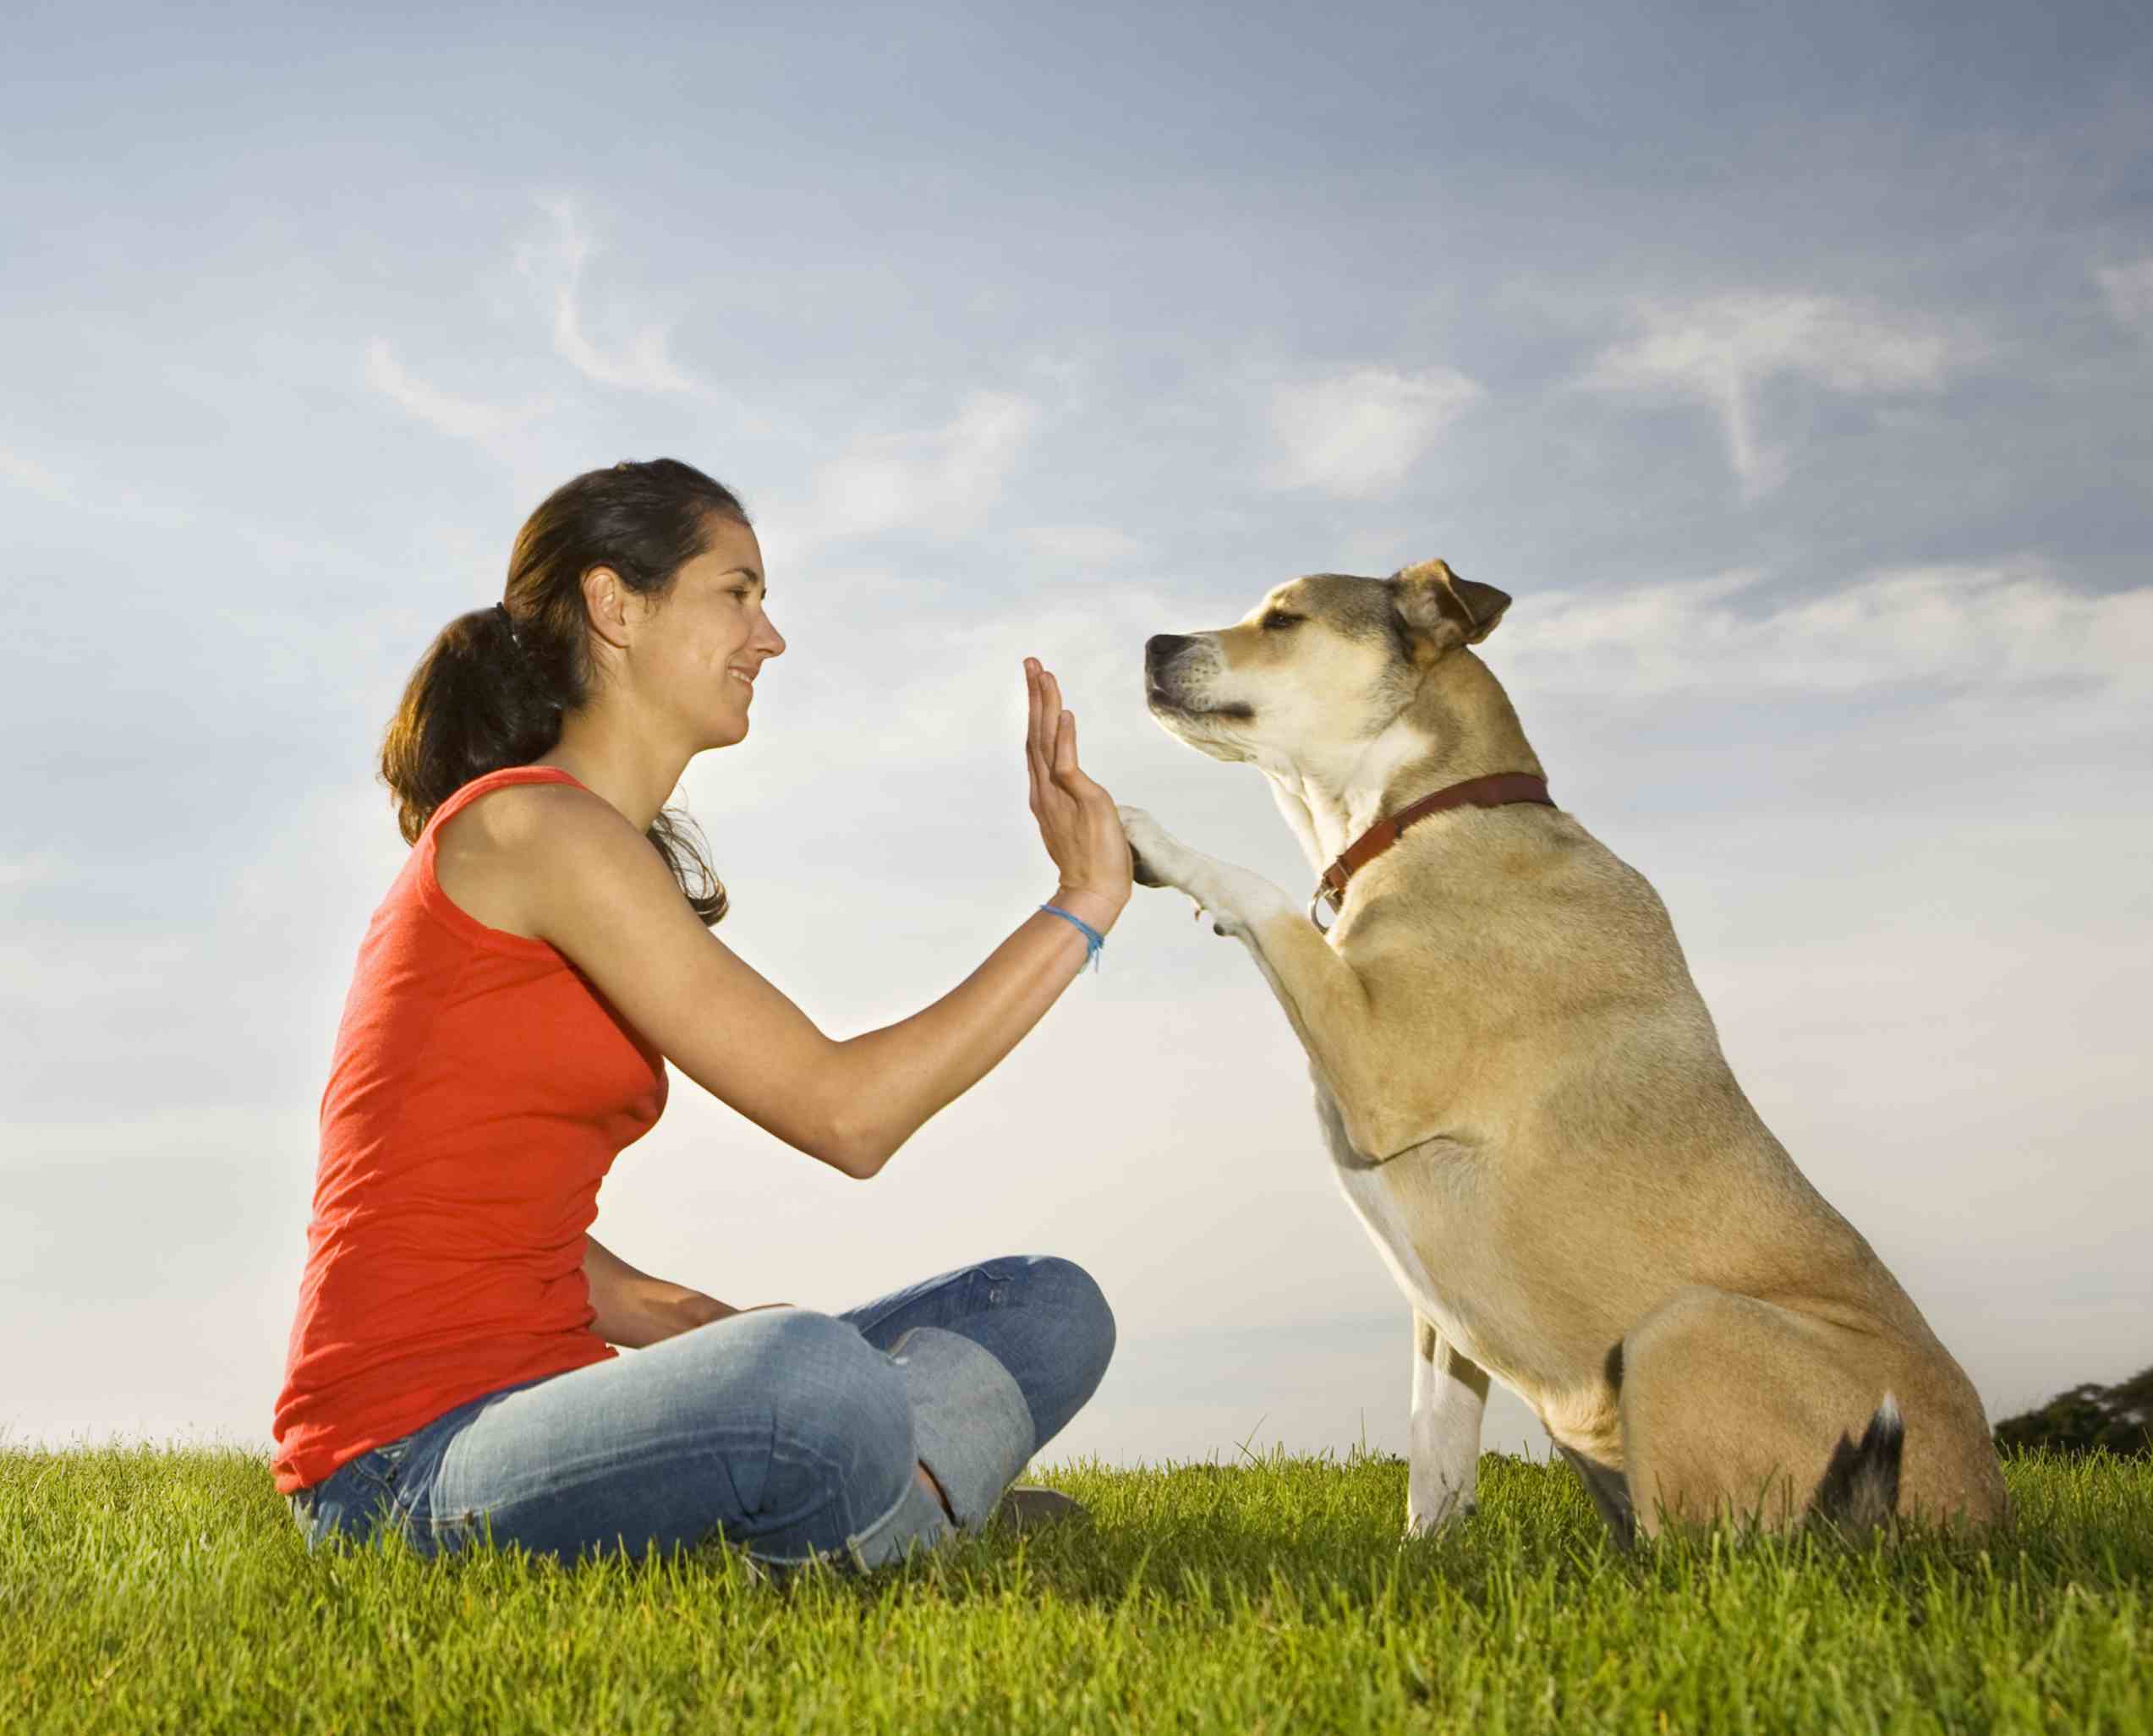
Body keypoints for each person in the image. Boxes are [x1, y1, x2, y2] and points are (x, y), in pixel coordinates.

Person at [270, 457, 1130, 1571]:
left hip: (554, 1409)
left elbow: (498, 1215)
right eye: (737, 591)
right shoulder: (531, 828)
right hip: (399, 1465)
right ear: (613, 605)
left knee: (1049, 1308)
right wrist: (1083, 901)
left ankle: (866, 1501)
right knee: (812, 1380)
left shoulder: (588, 848)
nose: (768, 637)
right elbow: (846, 1114)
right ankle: (901, 1517)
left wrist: (702, 1333)